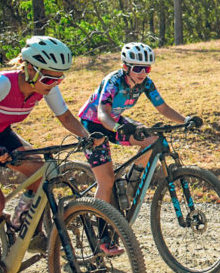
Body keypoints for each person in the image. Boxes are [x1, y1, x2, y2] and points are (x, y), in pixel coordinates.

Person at [0, 36, 104, 273]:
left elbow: (66, 118)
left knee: (41, 173)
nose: (53, 84)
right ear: (29, 69)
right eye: (48, 79)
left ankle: (22, 225)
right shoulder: (1, 83)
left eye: (59, 79)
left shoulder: (45, 86)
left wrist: (88, 137)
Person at [77, 42, 202, 255]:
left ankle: (131, 181)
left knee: (151, 140)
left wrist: (185, 119)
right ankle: (103, 236)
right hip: (93, 124)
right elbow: (102, 113)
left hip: (115, 121)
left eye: (147, 68)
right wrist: (118, 128)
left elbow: (162, 107)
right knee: (106, 181)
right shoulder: (113, 81)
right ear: (126, 67)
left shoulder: (146, 83)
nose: (143, 73)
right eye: (137, 68)